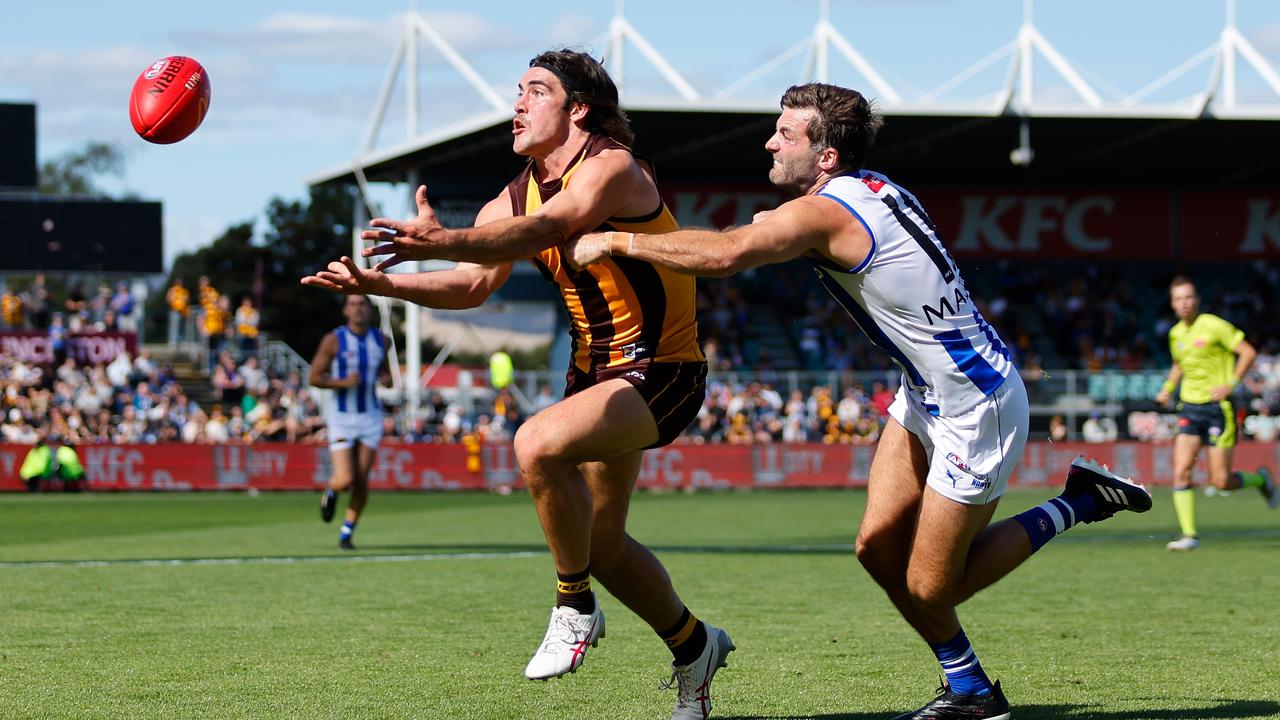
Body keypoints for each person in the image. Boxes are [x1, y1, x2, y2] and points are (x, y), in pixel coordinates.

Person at [566, 82, 1153, 720]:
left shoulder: (825, 213)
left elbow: (730, 253)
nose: (770, 140)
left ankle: (1078, 502)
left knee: (933, 586)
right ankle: (971, 691)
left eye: (787, 133)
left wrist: (616, 242)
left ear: (825, 156)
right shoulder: (865, 188)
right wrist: (778, 226)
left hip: (976, 405)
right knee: (875, 549)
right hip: (927, 393)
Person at [301, 49, 731, 719]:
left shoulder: (613, 167)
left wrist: (440, 241)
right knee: (605, 545)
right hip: (594, 375)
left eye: (535, 91)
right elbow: (475, 285)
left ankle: (572, 605)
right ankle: (694, 646)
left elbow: (557, 225)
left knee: (534, 444)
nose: (518, 104)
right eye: (517, 92)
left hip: (663, 370)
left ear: (578, 108)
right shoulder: (514, 191)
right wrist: (384, 283)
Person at [1155, 276, 1277, 552]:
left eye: (1188, 297)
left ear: (1197, 300)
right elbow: (1178, 364)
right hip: (1190, 406)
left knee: (1220, 481)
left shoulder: (1214, 325)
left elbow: (1248, 352)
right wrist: (1167, 388)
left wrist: (1231, 383)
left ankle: (1261, 479)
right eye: (1178, 299)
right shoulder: (1176, 333)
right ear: (1173, 304)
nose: (1184, 303)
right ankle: (1189, 535)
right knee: (1181, 469)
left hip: (1218, 408)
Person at [306, 294, 389, 551]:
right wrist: (342, 382)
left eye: (362, 304)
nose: (358, 309)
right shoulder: (334, 340)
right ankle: (331, 491)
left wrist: (386, 379)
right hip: (342, 417)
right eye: (352, 304)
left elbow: (383, 372)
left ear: (369, 309)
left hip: (370, 417)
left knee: (362, 480)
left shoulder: (382, 340)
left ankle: (346, 533)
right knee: (344, 479)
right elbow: (314, 377)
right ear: (345, 310)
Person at [166, 277, 191, 347]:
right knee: (174, 326)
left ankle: (183, 341)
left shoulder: (184, 291)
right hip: (174, 311)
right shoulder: (172, 290)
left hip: (183, 311)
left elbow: (188, 300)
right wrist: (172, 298)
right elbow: (168, 299)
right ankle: (172, 341)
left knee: (183, 327)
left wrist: (186, 299)